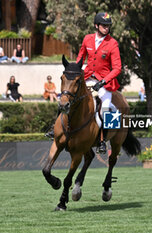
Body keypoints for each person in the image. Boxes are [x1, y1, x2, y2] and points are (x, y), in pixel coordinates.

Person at [46, 12, 121, 154]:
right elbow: (81, 58)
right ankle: (54, 129)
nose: (106, 28)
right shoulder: (87, 39)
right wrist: (72, 70)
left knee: (104, 107)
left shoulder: (112, 43)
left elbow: (117, 68)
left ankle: (102, 140)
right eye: (104, 26)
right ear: (96, 26)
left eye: (108, 26)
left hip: (104, 82)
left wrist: (103, 81)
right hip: (87, 77)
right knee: (67, 97)